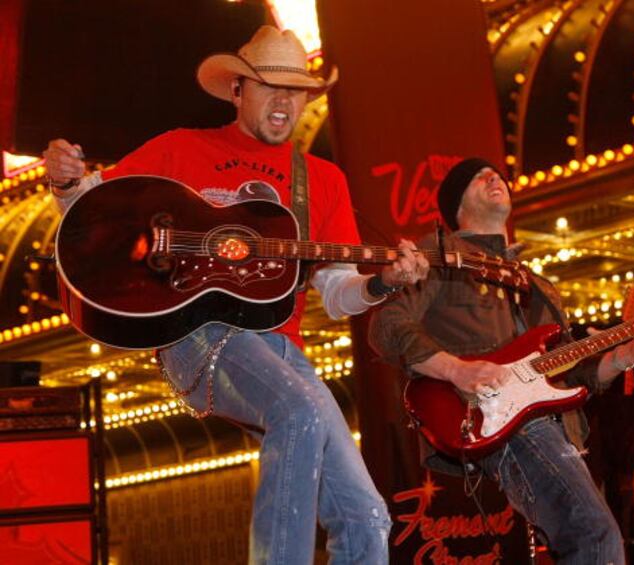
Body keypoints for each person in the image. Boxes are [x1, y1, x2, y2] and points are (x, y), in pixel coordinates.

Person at [44, 25, 430, 565]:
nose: (284, 101)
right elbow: (91, 211)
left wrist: (384, 282)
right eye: (270, 86)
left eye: (296, 91)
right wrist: (65, 182)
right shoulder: (181, 147)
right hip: (199, 333)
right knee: (298, 410)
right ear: (237, 90)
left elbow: (337, 292)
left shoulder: (321, 179)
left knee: (366, 516)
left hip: (284, 348)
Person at [368, 157, 634, 564]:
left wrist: (630, 352)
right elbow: (386, 327)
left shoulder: (538, 285)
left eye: (496, 174)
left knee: (591, 537)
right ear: (456, 207)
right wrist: (456, 369)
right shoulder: (442, 254)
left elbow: (576, 374)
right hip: (492, 414)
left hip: (552, 424)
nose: (493, 177)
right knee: (594, 535)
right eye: (477, 178)